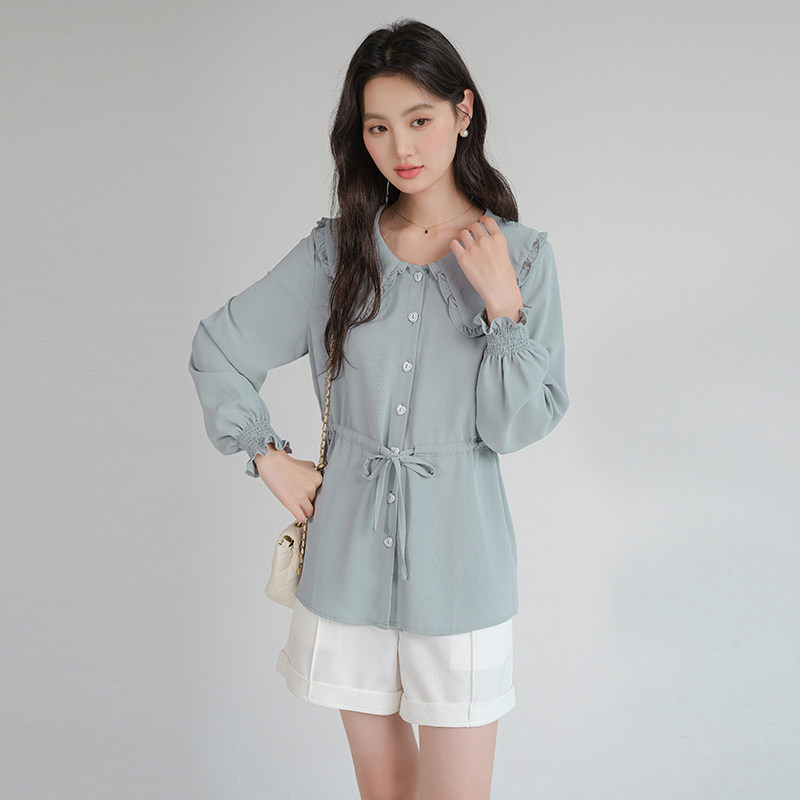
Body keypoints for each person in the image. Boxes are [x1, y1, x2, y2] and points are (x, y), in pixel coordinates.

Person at [188, 17, 570, 800]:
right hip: (347, 565)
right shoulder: (336, 253)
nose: (401, 147)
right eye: (378, 127)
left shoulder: (522, 256)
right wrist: (266, 455)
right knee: (385, 788)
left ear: (463, 111)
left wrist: (504, 308)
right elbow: (218, 347)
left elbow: (514, 426)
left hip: (462, 572)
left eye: (420, 119)